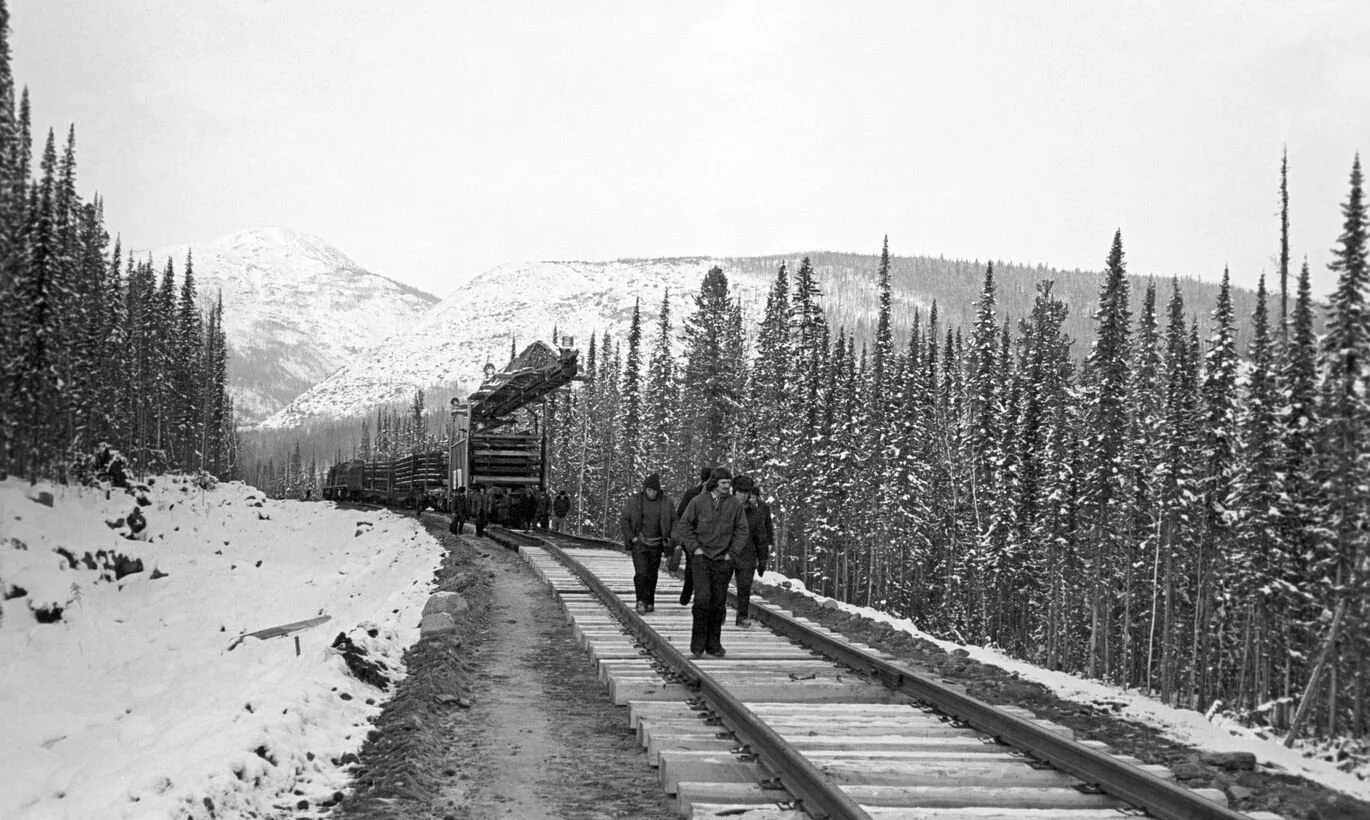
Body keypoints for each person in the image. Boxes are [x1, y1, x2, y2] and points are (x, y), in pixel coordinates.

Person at [672, 467, 748, 657]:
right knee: (702, 600)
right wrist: (694, 548)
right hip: (701, 559)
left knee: (718, 603)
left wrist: (732, 553)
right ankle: (697, 645)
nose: (727, 487)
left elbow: (742, 530)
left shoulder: (734, 505)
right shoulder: (698, 501)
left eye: (729, 484)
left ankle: (714, 645)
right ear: (714, 483)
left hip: (723, 560)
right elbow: (684, 525)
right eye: (723, 483)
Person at [620, 473, 678, 614]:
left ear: (658, 490)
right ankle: (640, 601)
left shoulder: (666, 503)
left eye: (654, 490)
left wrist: (672, 538)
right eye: (649, 490)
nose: (651, 493)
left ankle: (649, 600)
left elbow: (675, 520)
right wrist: (632, 538)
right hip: (640, 542)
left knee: (652, 574)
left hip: (657, 543)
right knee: (641, 573)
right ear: (645, 489)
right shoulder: (635, 501)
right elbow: (625, 519)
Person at [730, 475, 773, 628]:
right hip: (725, 554)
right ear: (734, 491)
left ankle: (742, 616)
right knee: (719, 586)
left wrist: (763, 559)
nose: (743, 495)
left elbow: (761, 538)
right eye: (740, 491)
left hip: (746, 554)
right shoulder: (723, 508)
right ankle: (718, 614)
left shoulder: (756, 513)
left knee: (744, 587)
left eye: (746, 492)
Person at [673, 466, 713, 605]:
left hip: (711, 539)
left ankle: (701, 598)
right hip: (692, 538)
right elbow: (680, 515)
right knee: (692, 567)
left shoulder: (718, 496)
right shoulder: (691, 494)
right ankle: (688, 590)